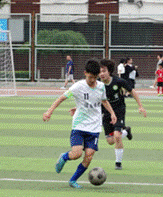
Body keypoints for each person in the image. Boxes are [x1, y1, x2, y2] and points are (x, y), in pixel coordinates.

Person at [44, 59, 117, 189]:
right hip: (79, 125)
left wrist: (112, 113)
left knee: (89, 156)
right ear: (85, 73)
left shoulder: (101, 86)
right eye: (90, 77)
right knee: (77, 154)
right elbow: (61, 98)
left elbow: (104, 101)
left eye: (95, 77)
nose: (92, 80)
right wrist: (49, 111)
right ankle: (64, 157)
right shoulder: (77, 86)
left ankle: (73, 180)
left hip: (94, 127)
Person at [98, 59, 146, 170]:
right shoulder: (97, 84)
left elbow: (132, 91)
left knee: (117, 136)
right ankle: (126, 131)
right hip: (106, 113)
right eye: (100, 72)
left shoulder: (118, 81)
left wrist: (140, 106)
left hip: (119, 111)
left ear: (109, 71)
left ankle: (118, 163)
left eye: (104, 71)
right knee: (110, 141)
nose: (101, 74)